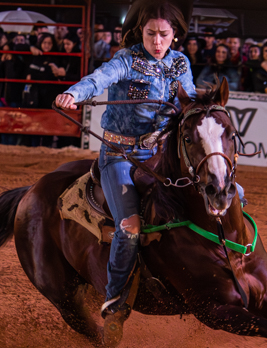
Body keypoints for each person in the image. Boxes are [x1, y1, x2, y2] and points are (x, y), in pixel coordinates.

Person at [55, 0, 195, 322]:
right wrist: (74, 94)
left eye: (163, 35)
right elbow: (98, 79)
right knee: (129, 227)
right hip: (120, 156)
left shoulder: (180, 64)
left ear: (174, 34)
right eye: (150, 34)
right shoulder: (126, 60)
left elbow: (188, 101)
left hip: (160, 156)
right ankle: (114, 297)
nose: (156, 42)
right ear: (140, 33)